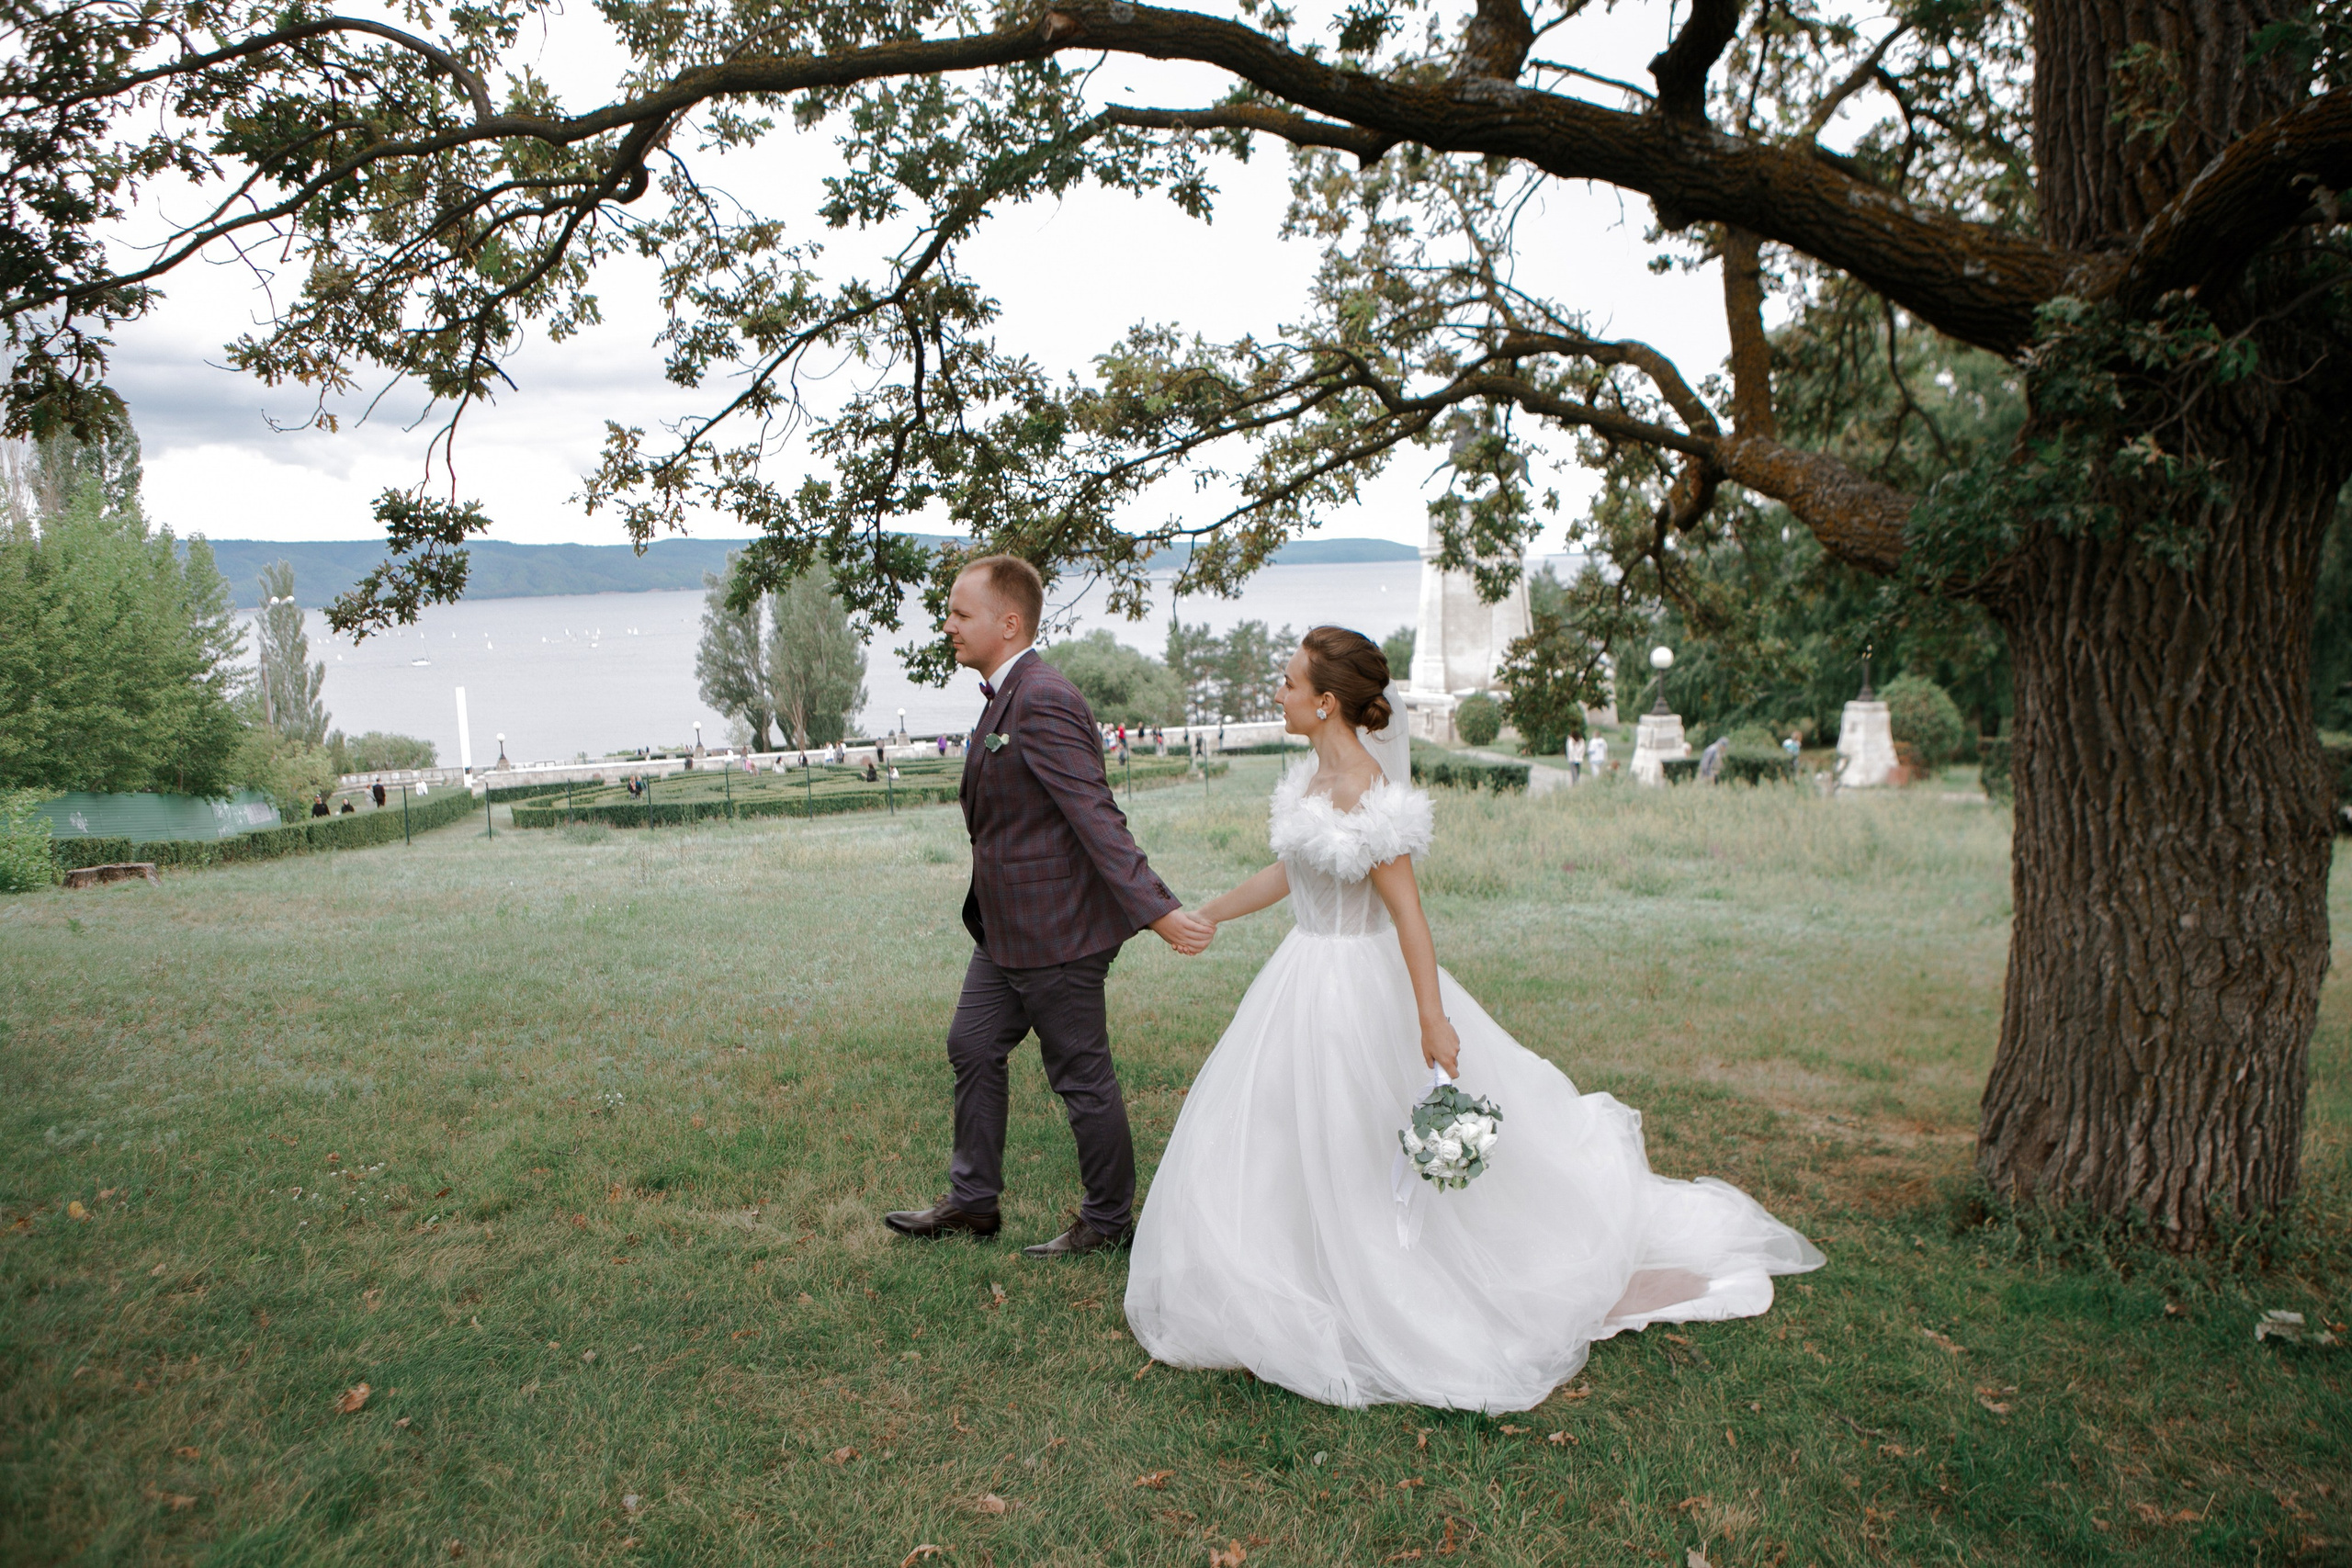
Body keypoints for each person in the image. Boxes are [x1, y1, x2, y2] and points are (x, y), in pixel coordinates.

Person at [1123, 626, 1822, 1411]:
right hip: (1299, 976)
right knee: (1290, 1129)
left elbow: (1411, 920)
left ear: (1325, 702)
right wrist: (1206, 916)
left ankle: (1382, 1277)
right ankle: (1296, 1264)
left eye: (1287, 683)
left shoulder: (1370, 795)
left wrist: (1432, 1018)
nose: (1277, 694)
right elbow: (1292, 871)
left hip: (1358, 986)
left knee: (1357, 1130)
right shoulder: (1314, 779)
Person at [885, 555, 1213, 1258]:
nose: (947, 626)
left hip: (1059, 931)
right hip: (1004, 931)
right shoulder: (1003, 695)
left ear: (1009, 622)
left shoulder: (1044, 696)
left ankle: (1109, 1219)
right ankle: (973, 1203)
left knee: (1081, 1076)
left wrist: (1159, 911)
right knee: (971, 1045)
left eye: (959, 613)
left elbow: (1096, 815)